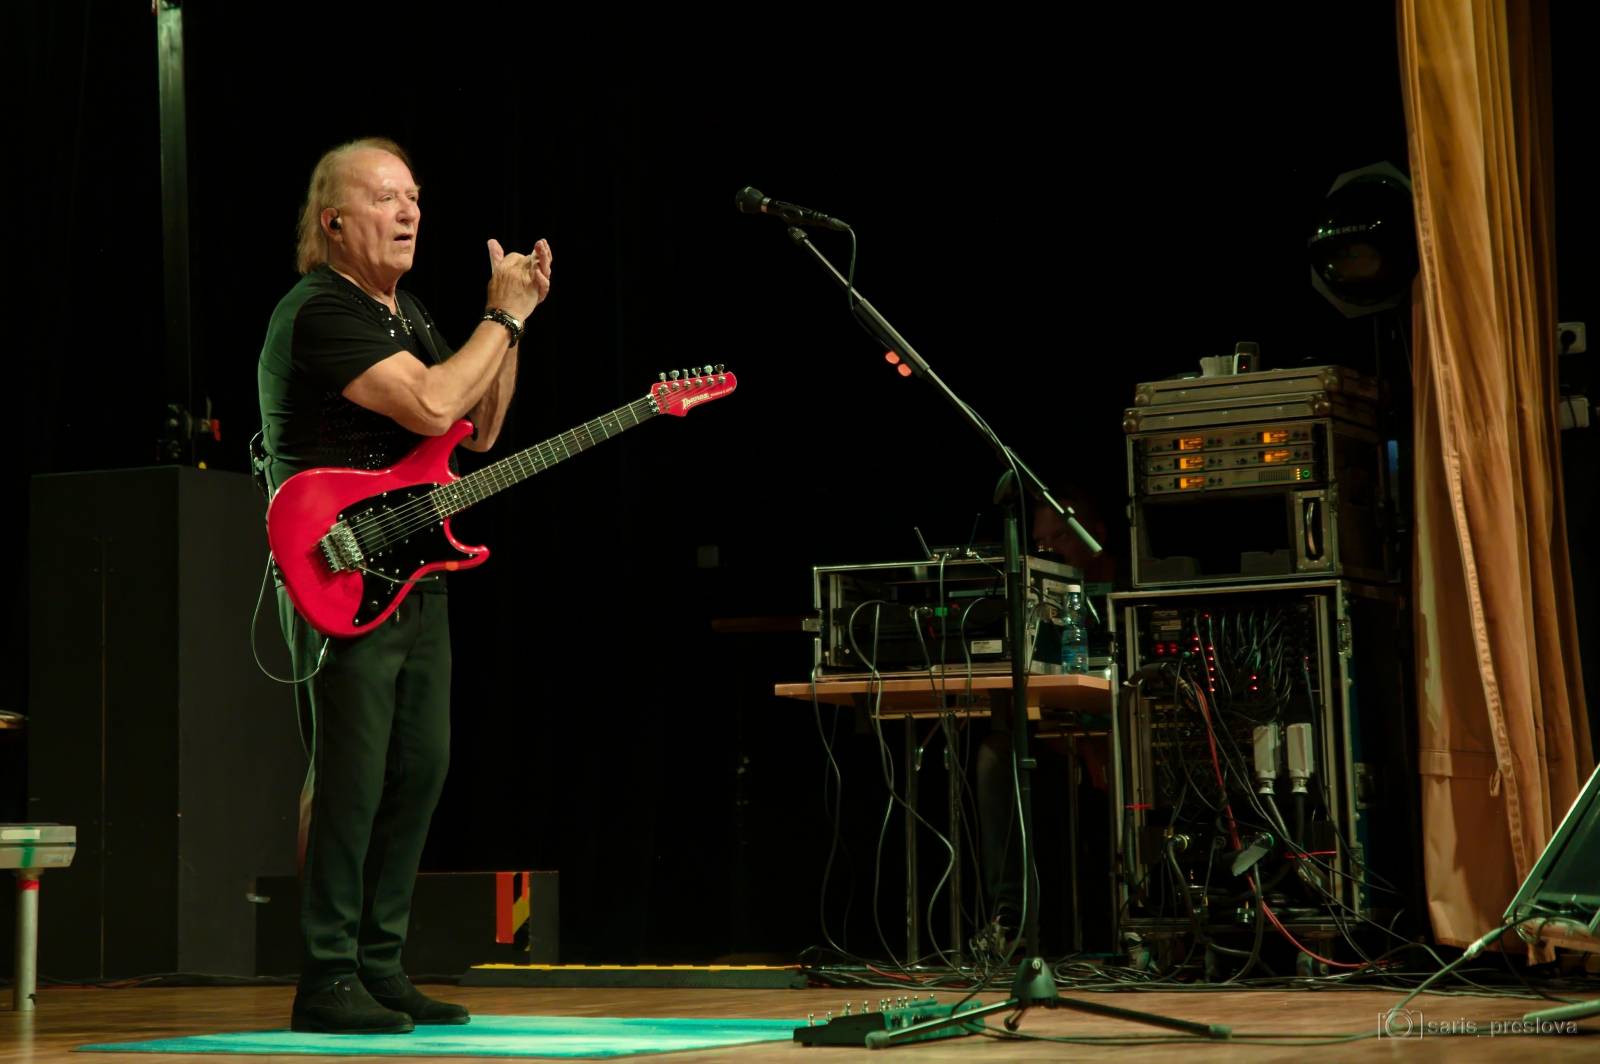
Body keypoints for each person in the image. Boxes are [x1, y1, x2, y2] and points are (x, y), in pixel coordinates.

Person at [256, 137, 552, 1034]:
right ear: (333, 219)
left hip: (414, 569)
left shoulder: (409, 312)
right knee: (351, 773)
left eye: (415, 196)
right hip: (339, 569)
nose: (410, 210)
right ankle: (326, 975)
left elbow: (480, 426)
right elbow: (428, 405)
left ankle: (379, 967)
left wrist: (517, 322)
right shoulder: (319, 309)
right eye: (386, 197)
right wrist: (494, 322)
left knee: (419, 768)